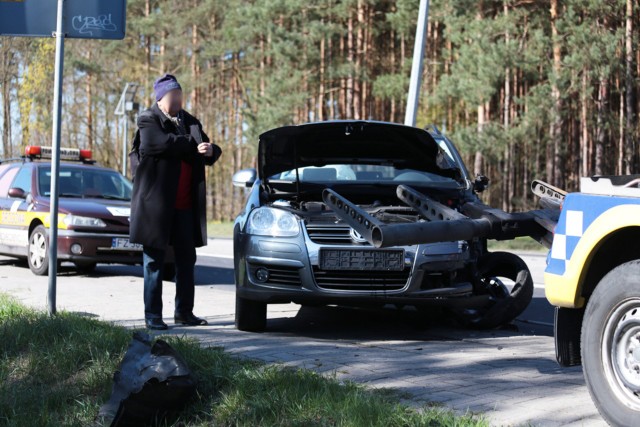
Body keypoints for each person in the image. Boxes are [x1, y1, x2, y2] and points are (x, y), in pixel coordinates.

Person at [130, 73, 222, 330]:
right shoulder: (148, 119)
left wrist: (211, 150)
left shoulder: (190, 121)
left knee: (186, 261)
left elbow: (205, 145)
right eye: (173, 96)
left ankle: (184, 312)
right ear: (161, 99)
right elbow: (159, 144)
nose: (179, 100)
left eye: (180, 96)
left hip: (184, 206)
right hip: (155, 209)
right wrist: (192, 144)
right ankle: (153, 317)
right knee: (154, 263)